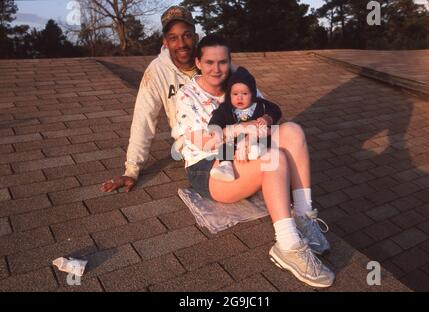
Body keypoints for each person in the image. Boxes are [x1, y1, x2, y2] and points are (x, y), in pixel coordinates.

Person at [174, 34, 334, 288]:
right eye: (209, 62)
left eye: (223, 62)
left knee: (293, 131)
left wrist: (260, 129)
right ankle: (288, 245)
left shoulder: (240, 84)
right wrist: (242, 131)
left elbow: (269, 113)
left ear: (229, 62)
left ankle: (304, 217)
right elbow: (204, 141)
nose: (217, 69)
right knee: (274, 159)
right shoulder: (187, 95)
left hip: (246, 153)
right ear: (198, 62)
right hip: (209, 167)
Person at [100, 5, 199, 193]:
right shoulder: (156, 72)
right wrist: (131, 170)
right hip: (194, 148)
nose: (181, 43)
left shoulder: (213, 59)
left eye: (186, 35)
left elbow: (247, 93)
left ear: (196, 37)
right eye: (173, 38)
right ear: (165, 42)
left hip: (227, 137)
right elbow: (143, 120)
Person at [207, 66, 282, 182]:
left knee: (263, 136)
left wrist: (268, 118)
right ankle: (226, 167)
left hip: (256, 139)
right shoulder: (225, 108)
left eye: (245, 94)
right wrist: (215, 129)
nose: (240, 97)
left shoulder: (261, 105)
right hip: (234, 141)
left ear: (252, 94)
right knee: (225, 144)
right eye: (235, 94)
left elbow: (276, 110)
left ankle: (256, 150)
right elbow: (217, 117)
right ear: (229, 95)